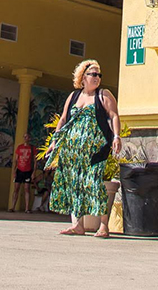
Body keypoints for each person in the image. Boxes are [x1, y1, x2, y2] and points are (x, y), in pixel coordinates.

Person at [48, 59, 121, 238]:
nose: (97, 78)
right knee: (75, 185)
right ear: (83, 77)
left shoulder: (103, 95)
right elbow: (63, 120)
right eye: (93, 74)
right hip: (72, 151)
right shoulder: (73, 96)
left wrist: (117, 136)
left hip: (95, 151)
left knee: (95, 184)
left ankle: (103, 225)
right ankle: (78, 225)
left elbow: (113, 116)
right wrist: (55, 141)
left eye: (99, 75)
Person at [9, 131, 37, 213]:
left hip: (28, 170)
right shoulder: (19, 147)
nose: (26, 138)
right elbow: (16, 160)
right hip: (19, 170)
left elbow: (35, 161)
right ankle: (13, 207)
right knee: (16, 188)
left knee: (26, 189)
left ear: (30, 138)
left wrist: (33, 172)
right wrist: (14, 171)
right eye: (24, 137)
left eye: (27, 137)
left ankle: (27, 208)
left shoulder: (33, 148)